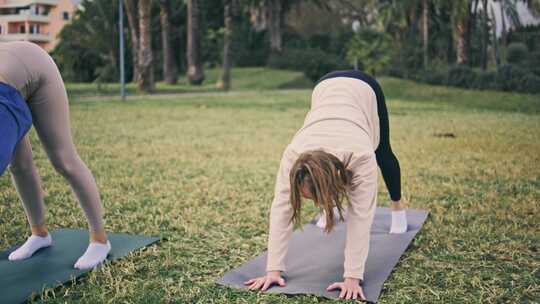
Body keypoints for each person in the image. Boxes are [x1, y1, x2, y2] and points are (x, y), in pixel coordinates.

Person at [244, 70, 407, 300]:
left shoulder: (361, 156)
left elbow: (360, 216)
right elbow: (281, 209)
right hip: (325, 86)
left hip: (364, 89)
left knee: (384, 153)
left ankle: (398, 206)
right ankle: (328, 208)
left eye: (319, 198)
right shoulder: (293, 155)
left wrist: (352, 276)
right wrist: (273, 269)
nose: (312, 202)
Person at [0, 41, 110, 269]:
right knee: (19, 164)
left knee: (64, 160)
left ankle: (100, 240)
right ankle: (39, 234)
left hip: (36, 69)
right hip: (12, 81)